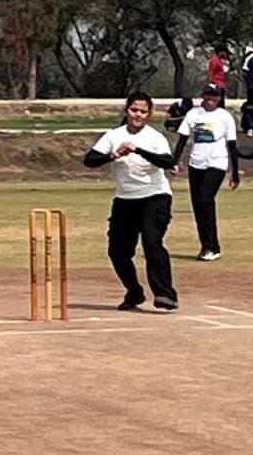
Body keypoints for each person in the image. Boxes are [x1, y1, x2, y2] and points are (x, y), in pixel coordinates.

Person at [86, 93, 183, 312]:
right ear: (126, 110)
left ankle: (165, 294)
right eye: (134, 110)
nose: (137, 115)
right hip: (125, 200)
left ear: (149, 114)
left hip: (155, 196)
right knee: (117, 251)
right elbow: (90, 160)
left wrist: (137, 150)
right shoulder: (114, 135)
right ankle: (134, 291)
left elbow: (167, 161)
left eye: (143, 111)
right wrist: (113, 155)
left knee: (151, 241)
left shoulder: (155, 137)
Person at [177, 87, 241, 259]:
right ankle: (208, 246)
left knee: (205, 199)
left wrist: (235, 173)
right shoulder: (193, 114)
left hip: (216, 163)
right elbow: (182, 139)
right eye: (208, 95)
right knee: (198, 205)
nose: (211, 99)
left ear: (219, 98)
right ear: (203, 96)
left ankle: (211, 247)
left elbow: (232, 146)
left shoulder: (225, 116)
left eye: (215, 96)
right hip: (196, 163)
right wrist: (174, 161)